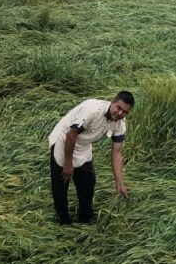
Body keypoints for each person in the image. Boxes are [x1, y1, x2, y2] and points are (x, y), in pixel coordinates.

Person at [48, 91, 134, 225]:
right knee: (60, 186)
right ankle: (64, 222)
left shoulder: (120, 124)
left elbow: (117, 152)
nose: (120, 113)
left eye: (125, 112)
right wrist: (68, 164)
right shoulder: (92, 110)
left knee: (88, 183)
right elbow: (71, 134)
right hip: (63, 140)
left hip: (83, 147)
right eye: (119, 108)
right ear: (112, 102)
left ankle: (84, 220)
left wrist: (119, 183)